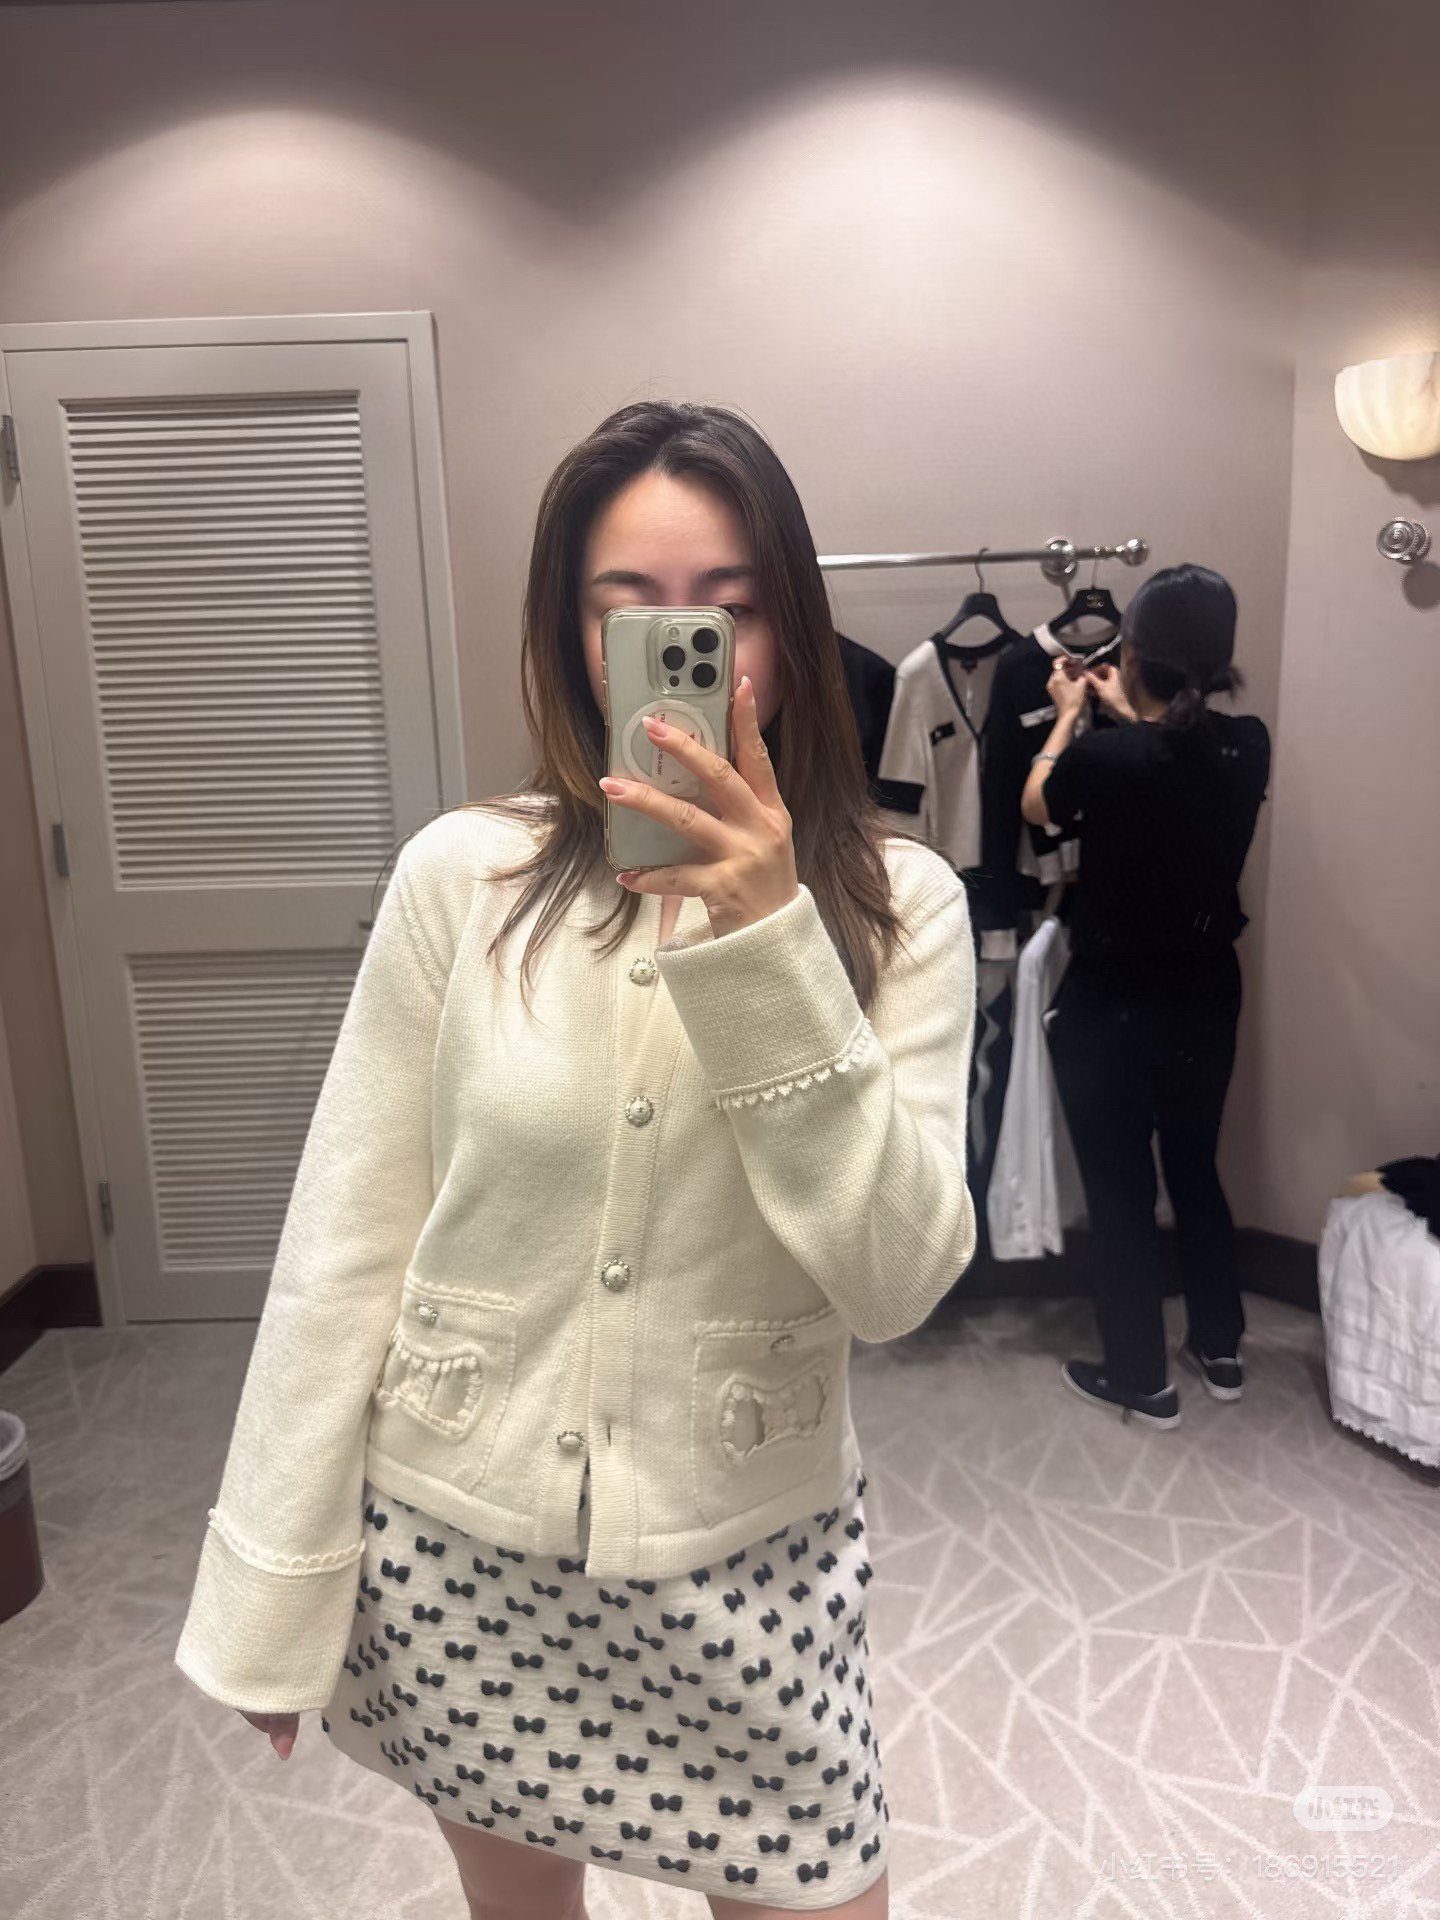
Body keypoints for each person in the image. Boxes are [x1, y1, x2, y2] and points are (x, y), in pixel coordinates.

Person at [173, 400, 979, 1920]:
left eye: (730, 610)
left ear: (791, 635)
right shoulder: (462, 878)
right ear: (572, 636)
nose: (686, 650)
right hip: (461, 1550)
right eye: (632, 609)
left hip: (747, 1559)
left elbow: (898, 1279)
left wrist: (767, 938)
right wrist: (272, 1589)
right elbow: (347, 1243)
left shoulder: (902, 907)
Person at [1018, 563, 1270, 1428]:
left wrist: (1065, 715)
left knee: (1121, 1188)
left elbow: (1039, 803)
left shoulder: (1101, 758)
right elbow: (1174, 755)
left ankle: (1139, 1378)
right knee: (1196, 1168)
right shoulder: (1248, 746)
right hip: (1205, 994)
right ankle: (1220, 1347)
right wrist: (1125, 711)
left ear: (1130, 653)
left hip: (1113, 1004)